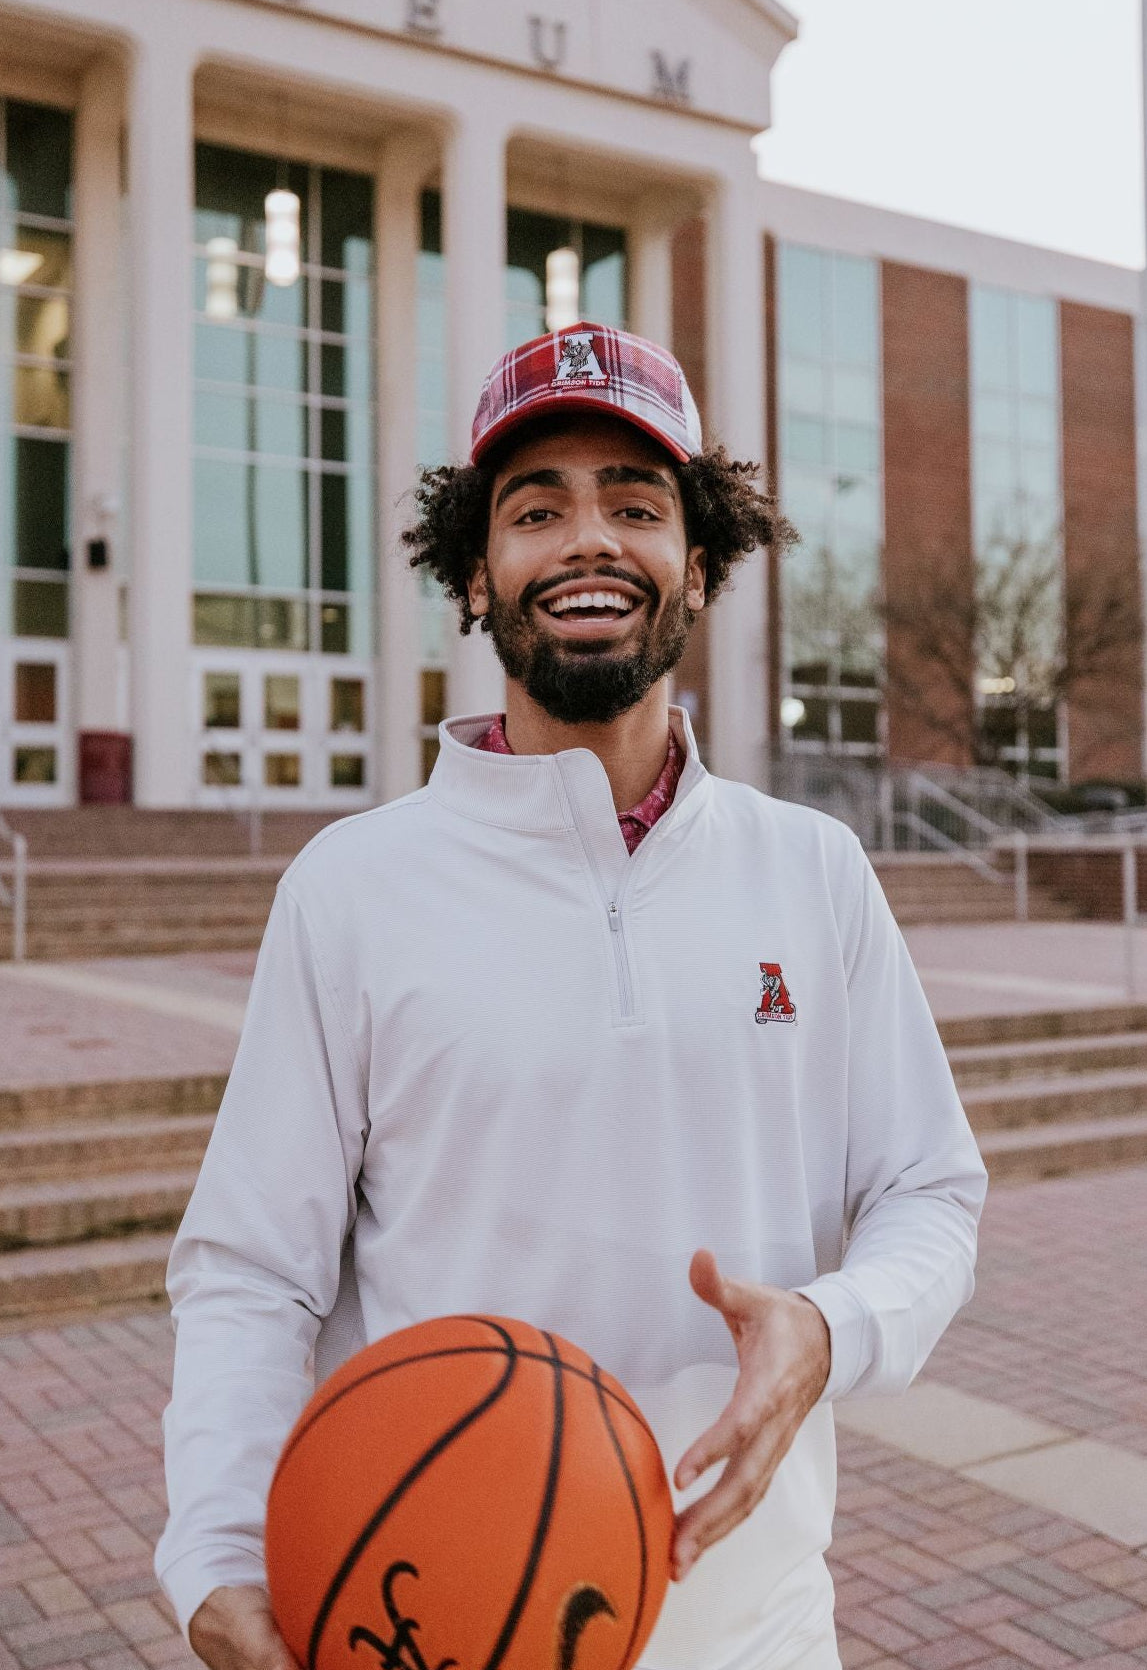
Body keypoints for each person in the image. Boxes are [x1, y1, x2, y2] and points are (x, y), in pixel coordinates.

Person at [156, 322, 987, 1670]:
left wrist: (833, 1329)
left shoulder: (816, 871)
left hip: (757, 1630)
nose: (586, 540)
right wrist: (214, 1549)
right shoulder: (350, 889)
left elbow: (931, 1192)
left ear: (699, 564)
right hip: (444, 1625)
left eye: (636, 505)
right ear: (476, 576)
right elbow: (254, 1269)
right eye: (536, 508)